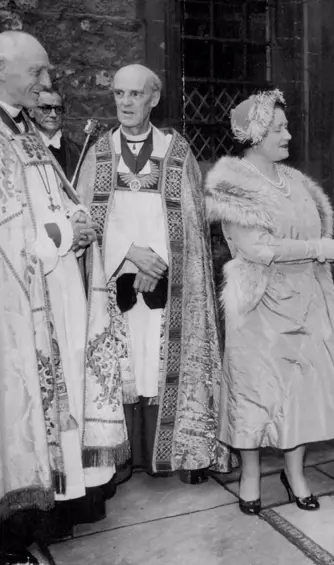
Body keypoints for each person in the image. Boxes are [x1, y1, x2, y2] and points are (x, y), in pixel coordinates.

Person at [0, 31, 127, 564]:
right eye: (37, 73)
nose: (47, 83)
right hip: (19, 302)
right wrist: (60, 235)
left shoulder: (24, 130)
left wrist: (75, 220)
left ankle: (36, 523)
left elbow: (56, 196)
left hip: (54, 293)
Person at [204, 89, 334, 516]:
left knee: (300, 394)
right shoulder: (233, 184)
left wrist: (317, 252)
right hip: (260, 302)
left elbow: (310, 232)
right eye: (277, 128)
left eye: (286, 126)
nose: (288, 134)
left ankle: (295, 474)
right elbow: (256, 248)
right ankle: (250, 475)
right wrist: (319, 248)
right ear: (254, 136)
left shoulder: (294, 182)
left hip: (305, 299)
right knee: (254, 393)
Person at [77, 64, 231, 485]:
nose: (125, 103)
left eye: (135, 94)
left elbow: (193, 223)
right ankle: (119, 458)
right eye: (119, 94)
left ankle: (182, 450)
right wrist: (130, 254)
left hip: (170, 281)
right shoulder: (99, 152)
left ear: (154, 98)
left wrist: (156, 262)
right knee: (125, 365)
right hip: (114, 283)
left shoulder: (176, 152)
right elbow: (87, 215)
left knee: (161, 361)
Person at [29, 88, 82, 180]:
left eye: (58, 109)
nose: (53, 115)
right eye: (45, 108)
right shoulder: (21, 147)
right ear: (31, 112)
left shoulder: (79, 152)